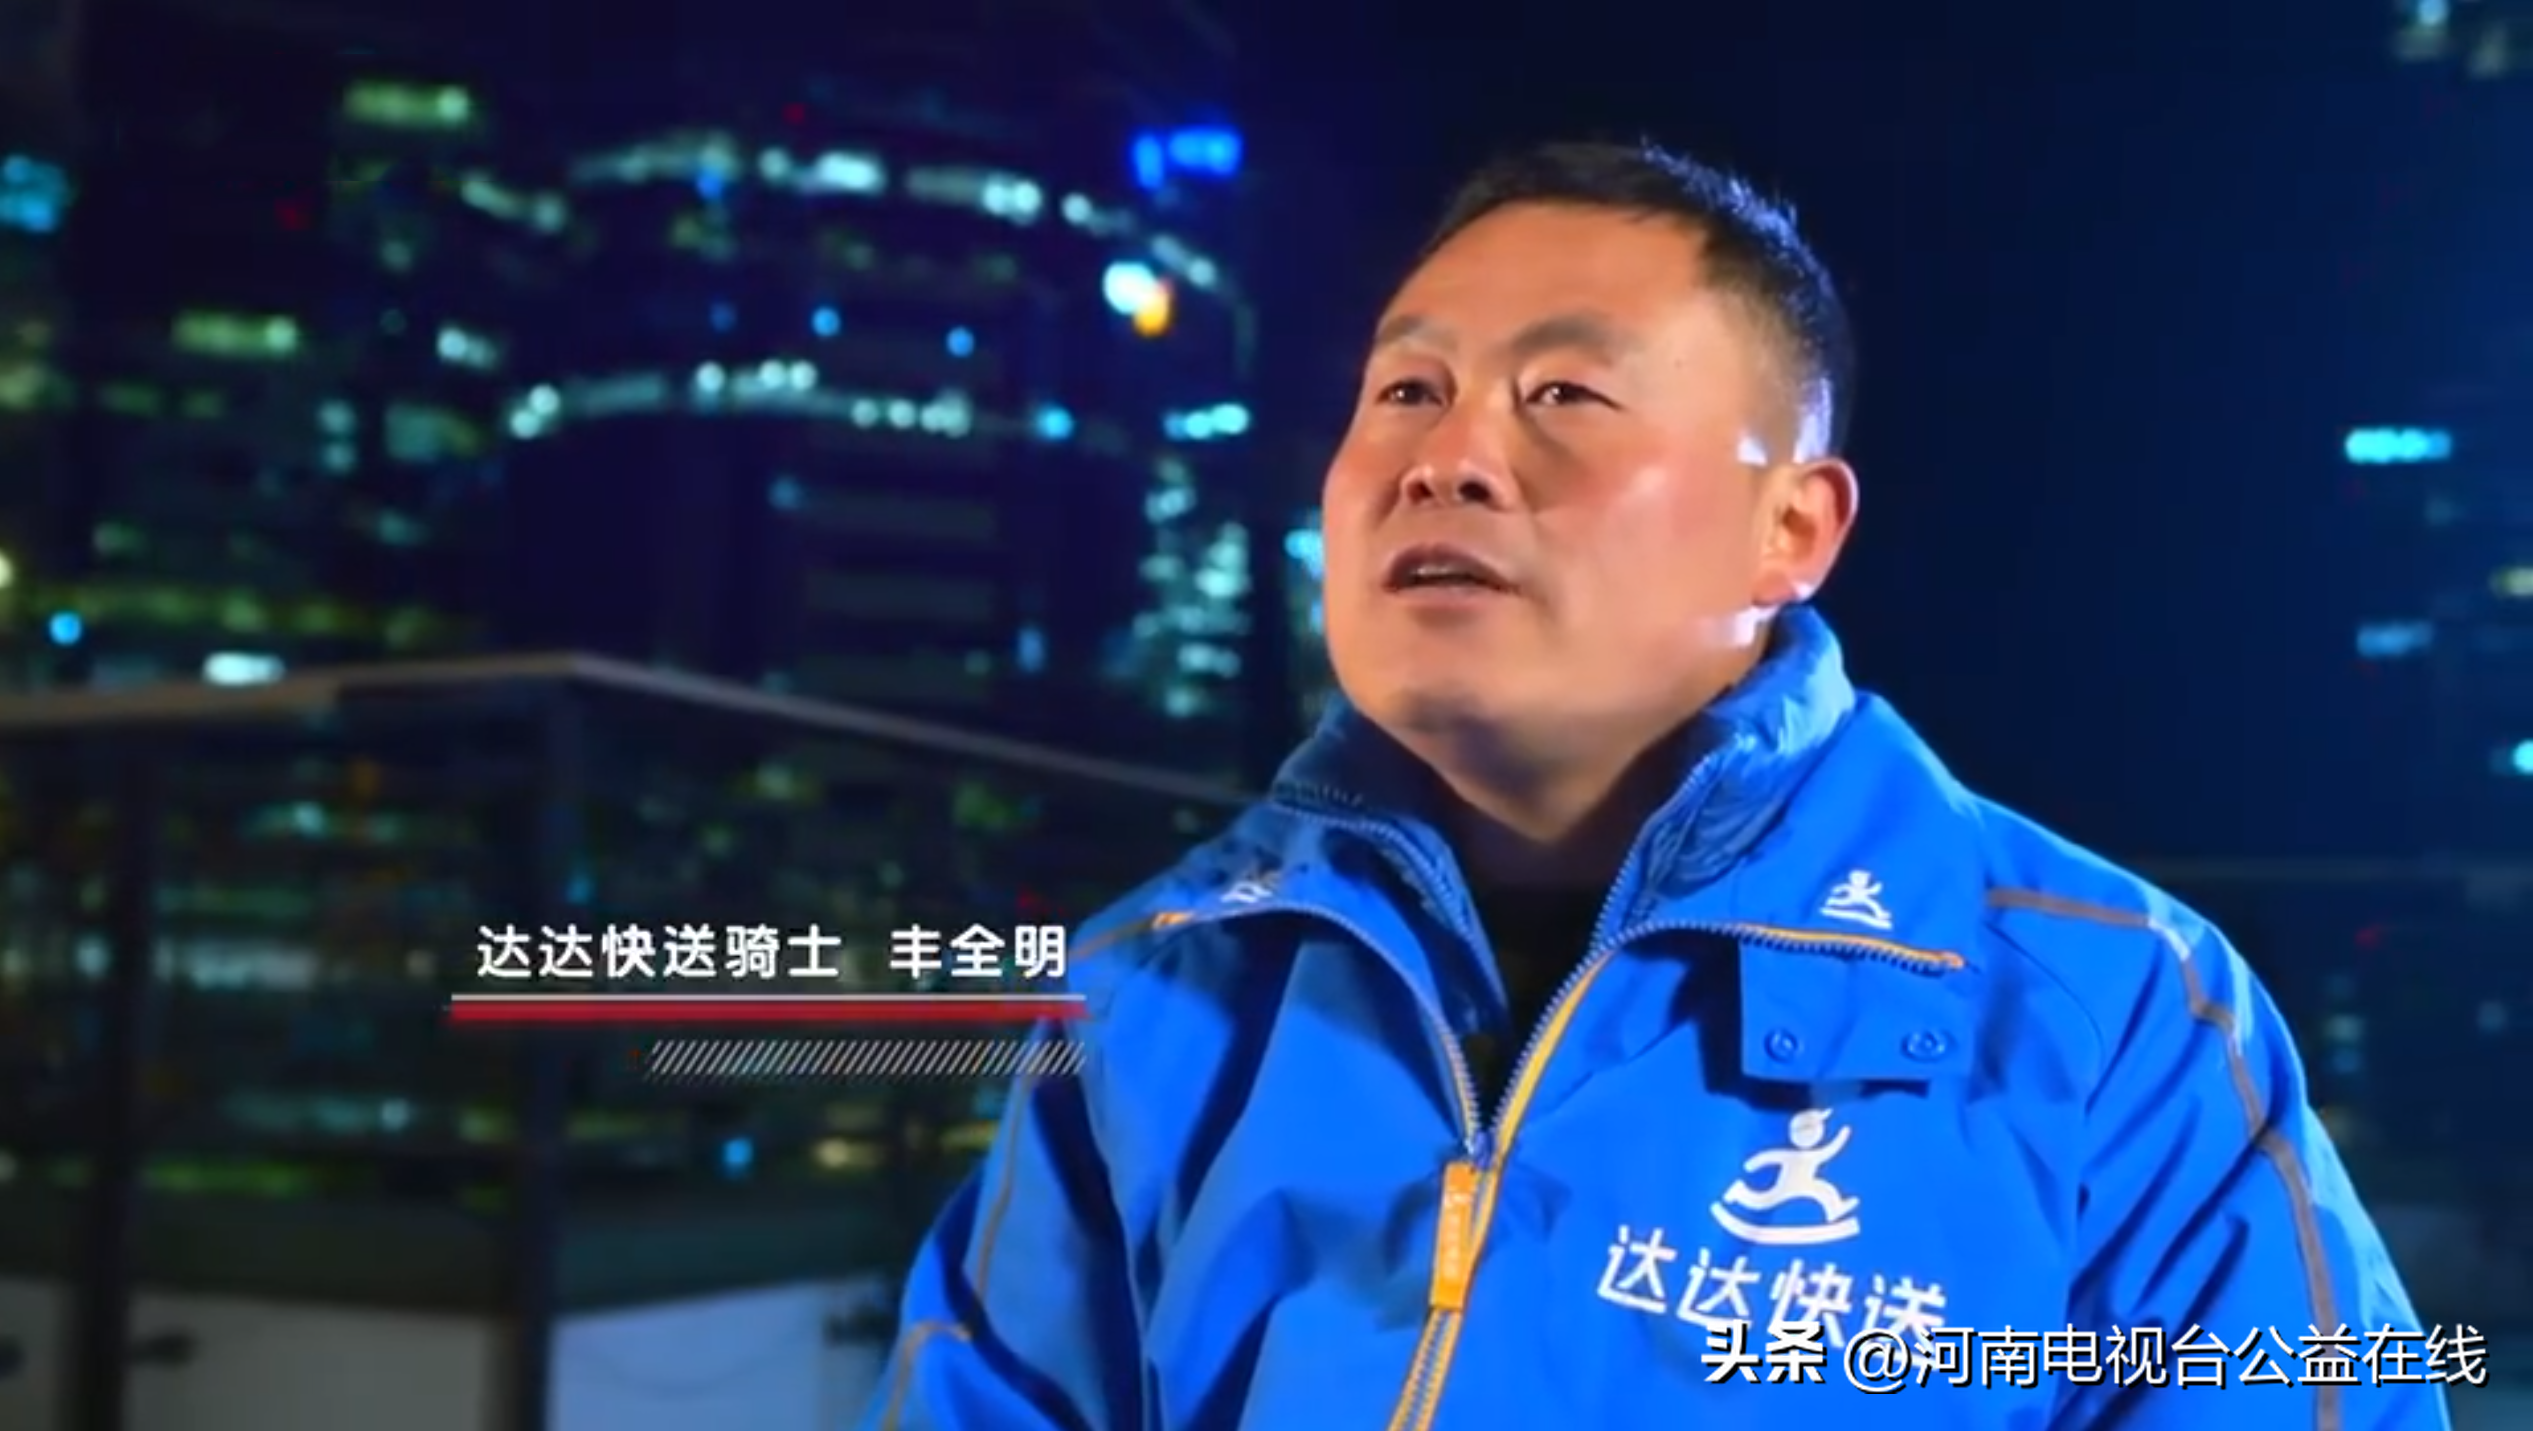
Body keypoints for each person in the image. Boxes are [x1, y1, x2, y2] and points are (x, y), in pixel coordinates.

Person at [863, 141, 2454, 1428]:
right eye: (1406, 392)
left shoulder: (2114, 1014)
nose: (1448, 456)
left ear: (1793, 530)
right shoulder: (1158, 990)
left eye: (1565, 395)